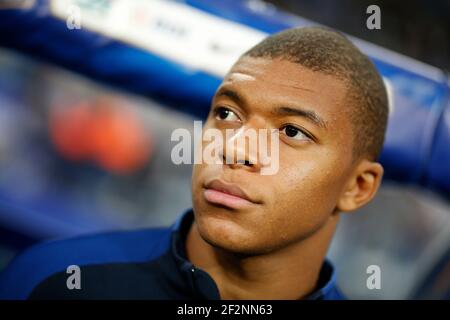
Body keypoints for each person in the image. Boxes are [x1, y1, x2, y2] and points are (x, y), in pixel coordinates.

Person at [0, 27, 388, 300]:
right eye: (227, 113)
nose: (235, 149)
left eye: (291, 132)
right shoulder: (52, 279)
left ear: (358, 187)